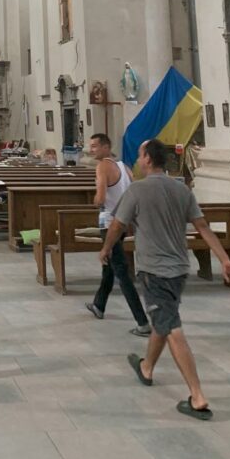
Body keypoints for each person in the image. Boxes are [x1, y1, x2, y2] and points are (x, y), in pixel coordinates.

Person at [99, 137, 230, 420]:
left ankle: (197, 396)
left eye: (140, 155)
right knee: (163, 320)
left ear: (148, 159)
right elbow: (203, 226)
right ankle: (147, 367)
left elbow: (117, 225)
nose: (137, 160)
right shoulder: (181, 189)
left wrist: (106, 249)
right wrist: (225, 259)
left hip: (155, 271)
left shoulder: (137, 190)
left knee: (172, 327)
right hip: (178, 270)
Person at [84, 133, 150, 336]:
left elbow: (101, 197)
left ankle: (142, 322)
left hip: (109, 223)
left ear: (106, 147)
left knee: (121, 271)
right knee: (109, 266)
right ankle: (99, 305)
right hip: (122, 221)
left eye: (95, 146)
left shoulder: (102, 166)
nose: (91, 150)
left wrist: (96, 200)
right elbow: (133, 192)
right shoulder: (124, 167)